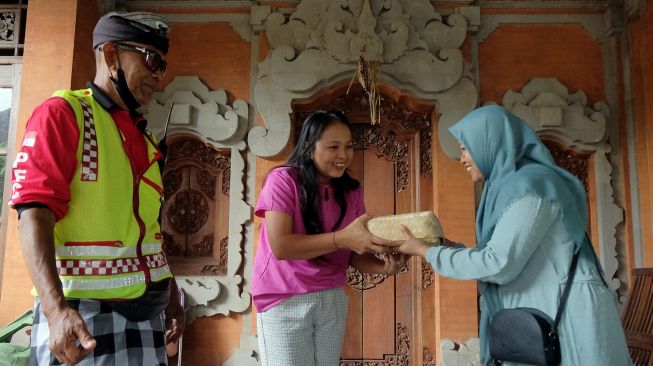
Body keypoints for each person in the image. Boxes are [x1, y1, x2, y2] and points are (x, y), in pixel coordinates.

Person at [9, 11, 184, 365]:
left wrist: (171, 294)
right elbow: (34, 215)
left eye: (162, 65)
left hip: (147, 313)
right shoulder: (63, 114)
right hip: (80, 318)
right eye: (150, 59)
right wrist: (55, 310)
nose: (158, 74)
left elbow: (147, 230)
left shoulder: (143, 137)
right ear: (110, 55)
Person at [395, 105, 632, 365]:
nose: (462, 159)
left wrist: (426, 251)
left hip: (568, 320)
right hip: (543, 313)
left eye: (465, 149)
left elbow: (500, 263)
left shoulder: (532, 186)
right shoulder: (505, 188)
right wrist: (446, 247)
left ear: (489, 143)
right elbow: (502, 254)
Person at [252, 110, 406, 366]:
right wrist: (342, 238)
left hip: (331, 297)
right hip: (284, 299)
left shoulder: (351, 190)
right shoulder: (283, 180)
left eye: (348, 147)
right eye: (333, 147)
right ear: (309, 146)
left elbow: (352, 252)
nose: (343, 155)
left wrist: (384, 267)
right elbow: (281, 246)